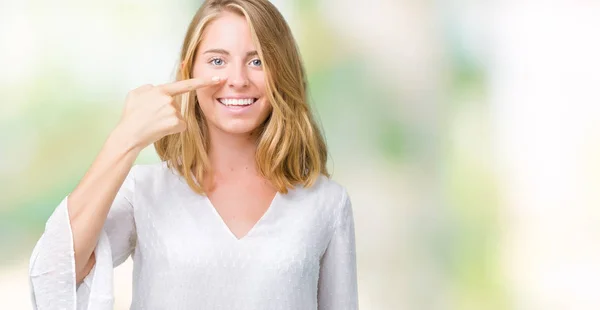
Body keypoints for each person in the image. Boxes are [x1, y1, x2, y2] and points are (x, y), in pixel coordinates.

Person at [28, 0, 358, 309]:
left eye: (257, 61)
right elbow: (52, 274)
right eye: (217, 60)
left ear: (281, 72)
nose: (238, 80)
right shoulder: (144, 191)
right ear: (189, 72)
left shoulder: (326, 203)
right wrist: (125, 139)